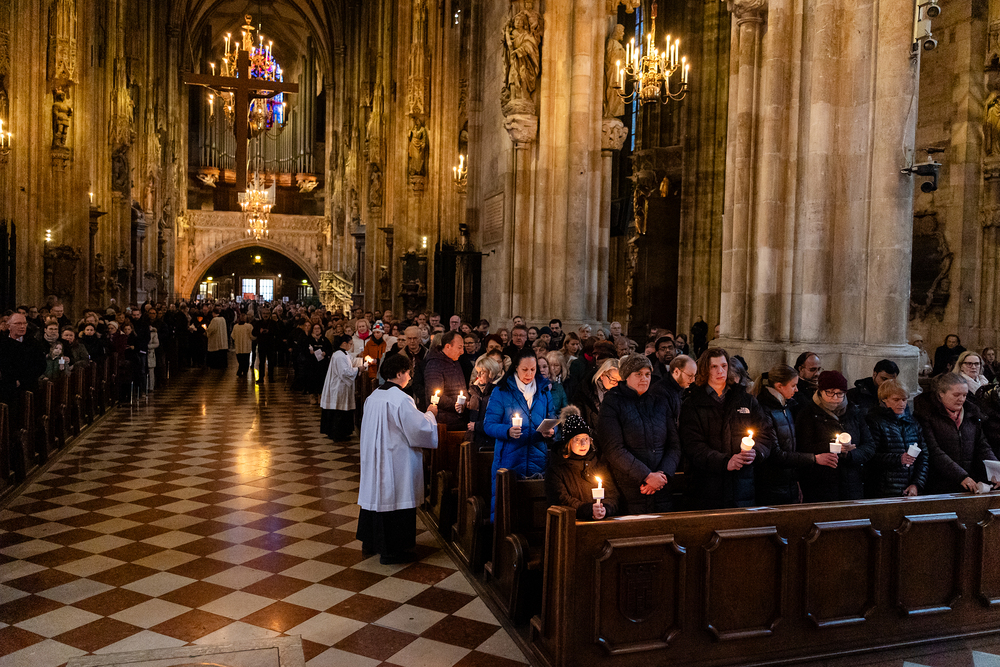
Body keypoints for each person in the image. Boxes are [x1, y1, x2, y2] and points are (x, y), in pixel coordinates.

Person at [357, 353, 440, 564]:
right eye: (408, 372)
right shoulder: (401, 399)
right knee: (394, 500)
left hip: (376, 459)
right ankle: (392, 551)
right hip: (395, 461)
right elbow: (418, 429)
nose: (410, 377)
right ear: (399, 373)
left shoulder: (374, 396)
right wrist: (431, 414)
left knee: (375, 497)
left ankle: (371, 543)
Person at [678, 348, 775, 509]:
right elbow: (692, 444)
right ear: (705, 369)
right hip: (707, 488)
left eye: (723, 366)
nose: (720, 371)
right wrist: (725, 462)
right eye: (714, 367)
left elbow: (765, 433)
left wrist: (756, 452)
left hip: (742, 486)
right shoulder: (693, 403)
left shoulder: (745, 400)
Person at [600, 353, 681, 513]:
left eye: (647, 374)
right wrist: (646, 476)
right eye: (638, 374)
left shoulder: (659, 401)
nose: (644, 378)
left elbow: (674, 445)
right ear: (626, 376)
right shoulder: (612, 402)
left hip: (661, 488)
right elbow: (613, 449)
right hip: (629, 487)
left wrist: (662, 475)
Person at [483, 348, 556, 521]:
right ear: (516, 367)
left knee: (533, 513)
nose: (529, 374)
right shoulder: (502, 391)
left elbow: (552, 417)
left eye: (533, 369)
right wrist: (507, 431)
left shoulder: (543, 391)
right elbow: (488, 425)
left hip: (537, 458)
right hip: (509, 458)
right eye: (525, 369)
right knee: (506, 510)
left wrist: (552, 431)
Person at [795, 370, 875, 502]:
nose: (835, 397)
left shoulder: (854, 412)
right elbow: (802, 447)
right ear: (820, 391)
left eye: (840, 393)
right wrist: (831, 447)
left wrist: (849, 455)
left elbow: (869, 446)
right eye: (830, 392)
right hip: (819, 484)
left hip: (851, 484)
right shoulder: (807, 414)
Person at [914, 372, 999, 494]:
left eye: (964, 395)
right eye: (956, 395)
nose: (961, 399)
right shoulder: (926, 415)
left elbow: (982, 446)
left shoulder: (972, 414)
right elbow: (934, 451)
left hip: (968, 483)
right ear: (941, 393)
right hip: (938, 484)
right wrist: (961, 476)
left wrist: (996, 472)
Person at [752, 365, 826, 505]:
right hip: (770, 485)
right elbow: (775, 454)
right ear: (779, 386)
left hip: (787, 482)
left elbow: (791, 447)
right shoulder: (764, 410)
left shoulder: (785, 407)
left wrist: (795, 481)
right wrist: (814, 458)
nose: (796, 390)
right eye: (793, 385)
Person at [546, 407, 619, 520]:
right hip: (571, 523)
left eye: (586, 438)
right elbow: (562, 500)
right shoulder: (557, 469)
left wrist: (605, 508)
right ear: (568, 443)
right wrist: (588, 510)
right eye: (577, 439)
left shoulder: (598, 464)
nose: (583, 443)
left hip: (602, 523)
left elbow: (612, 494)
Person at [864, 379, 929, 498]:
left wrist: (917, 484)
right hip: (884, 490)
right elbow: (870, 456)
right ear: (884, 399)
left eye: (904, 399)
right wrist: (898, 459)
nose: (901, 404)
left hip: (910, 488)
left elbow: (923, 456)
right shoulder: (874, 421)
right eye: (896, 399)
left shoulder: (912, 423)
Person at [320, 334, 366, 440]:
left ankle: (340, 433)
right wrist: (359, 369)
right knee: (339, 410)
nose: (351, 346)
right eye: (350, 344)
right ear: (344, 343)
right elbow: (345, 372)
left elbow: (350, 363)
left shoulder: (343, 354)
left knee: (340, 409)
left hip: (341, 387)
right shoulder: (339, 356)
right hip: (338, 387)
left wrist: (360, 360)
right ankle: (338, 434)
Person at [423, 331, 469, 431]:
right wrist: (457, 404)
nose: (462, 352)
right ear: (448, 346)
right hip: (444, 422)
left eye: (463, 347)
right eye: (459, 347)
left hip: (457, 419)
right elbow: (435, 395)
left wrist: (465, 402)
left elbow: (462, 387)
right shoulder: (435, 365)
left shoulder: (455, 362)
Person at [468, 355, 503, 449]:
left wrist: (477, 426)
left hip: (490, 440)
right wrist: (462, 408)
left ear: (491, 373)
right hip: (475, 439)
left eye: (482, 373)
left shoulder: (498, 392)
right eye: (477, 372)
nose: (478, 376)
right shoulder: (474, 390)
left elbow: (498, 419)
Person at [573, 357, 619, 427]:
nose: (616, 384)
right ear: (602, 375)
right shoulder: (585, 391)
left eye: (619, 381)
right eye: (613, 380)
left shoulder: (621, 392)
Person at [303, 323, 334, 403]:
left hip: (322, 364)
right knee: (311, 379)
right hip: (311, 364)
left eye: (318, 328)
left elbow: (330, 349)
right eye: (315, 328)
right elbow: (303, 350)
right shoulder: (308, 339)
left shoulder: (325, 340)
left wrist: (325, 353)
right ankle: (312, 395)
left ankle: (321, 395)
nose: (317, 330)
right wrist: (309, 352)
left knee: (321, 379)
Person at [231, 313, 254, 377]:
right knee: (246, 360)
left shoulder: (235, 327)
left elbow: (233, 336)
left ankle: (240, 370)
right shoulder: (249, 326)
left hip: (238, 346)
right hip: (246, 346)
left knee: (240, 360)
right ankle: (244, 372)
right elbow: (252, 336)